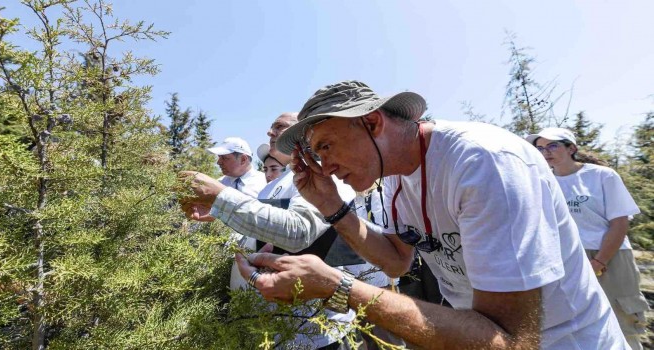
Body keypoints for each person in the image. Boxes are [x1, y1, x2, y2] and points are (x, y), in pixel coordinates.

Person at [234, 80, 629, 349]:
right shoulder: (393, 178)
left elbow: (510, 340)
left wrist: (339, 287)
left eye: (327, 145)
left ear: (372, 122)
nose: (325, 165)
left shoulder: (482, 163)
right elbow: (395, 260)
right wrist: (331, 207)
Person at [181, 112, 377, 349]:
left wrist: (220, 197)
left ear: (306, 132)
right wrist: (217, 212)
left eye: (279, 126)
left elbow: (299, 231)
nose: (269, 132)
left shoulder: (324, 176)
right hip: (277, 330)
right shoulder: (273, 185)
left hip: (315, 333)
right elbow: (267, 231)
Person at [527, 127, 650, 350]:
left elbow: (619, 223)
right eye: (540, 148)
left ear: (571, 148)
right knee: (575, 325)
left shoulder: (602, 176)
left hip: (609, 257)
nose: (546, 152)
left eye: (553, 145)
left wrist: (599, 262)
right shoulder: (543, 181)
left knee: (622, 322)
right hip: (566, 259)